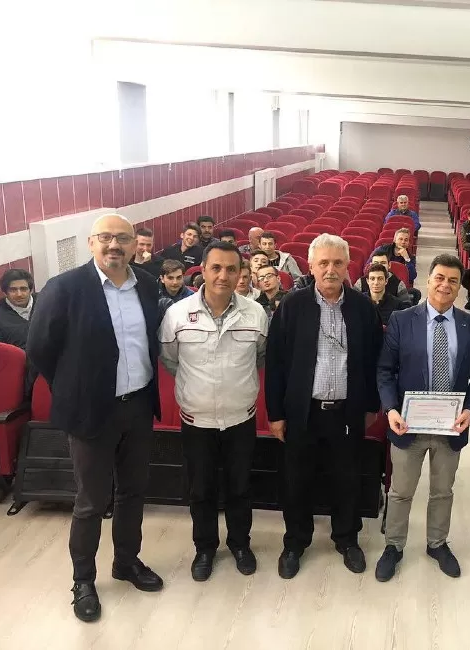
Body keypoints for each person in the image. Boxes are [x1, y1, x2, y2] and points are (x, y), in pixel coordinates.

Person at [27, 214, 163, 623]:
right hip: (90, 411)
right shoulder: (64, 288)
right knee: (90, 501)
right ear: (91, 243)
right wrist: (73, 387)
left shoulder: (147, 285)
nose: (114, 245)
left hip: (138, 405)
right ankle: (83, 580)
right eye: (105, 237)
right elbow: (39, 348)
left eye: (123, 238)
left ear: (135, 244)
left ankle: (126, 561)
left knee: (133, 492)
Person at [265, 234, 383, 579]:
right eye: (323, 263)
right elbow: (276, 363)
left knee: (347, 479)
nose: (330, 269)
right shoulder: (293, 305)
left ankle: (347, 539)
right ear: (311, 266)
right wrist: (276, 414)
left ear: (348, 266)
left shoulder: (363, 308)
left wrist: (370, 405)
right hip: (302, 412)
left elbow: (375, 360)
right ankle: (295, 542)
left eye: (337, 263)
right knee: (296, 480)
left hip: (347, 411)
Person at [375, 254, 470, 582]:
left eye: (453, 280)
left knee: (443, 491)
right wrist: (391, 409)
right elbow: (385, 370)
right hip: (407, 424)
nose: (445, 285)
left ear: (460, 287)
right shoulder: (402, 320)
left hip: (451, 425)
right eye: (440, 278)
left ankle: (437, 543)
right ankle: (394, 545)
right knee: (400, 491)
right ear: (428, 280)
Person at [159, 241, 268, 582]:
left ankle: (240, 544)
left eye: (231, 269)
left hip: (240, 418)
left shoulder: (255, 314)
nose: (223, 275)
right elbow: (170, 360)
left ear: (240, 273)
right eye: (216, 268)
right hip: (197, 420)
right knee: (201, 489)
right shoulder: (177, 314)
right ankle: (205, 548)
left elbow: (260, 358)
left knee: (240, 487)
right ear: (202, 270)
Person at [0, 268, 36, 349]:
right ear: (5, 293)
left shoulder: (44, 302)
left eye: (23, 289)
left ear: (31, 290)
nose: (19, 294)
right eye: (13, 290)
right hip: (18, 356)